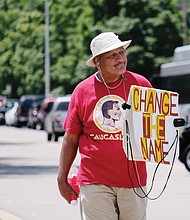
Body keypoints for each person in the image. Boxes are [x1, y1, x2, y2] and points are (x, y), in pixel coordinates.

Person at [57, 32, 152, 220]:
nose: (120, 59)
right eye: (112, 55)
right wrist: (62, 177)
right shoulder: (82, 91)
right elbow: (70, 138)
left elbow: (154, 128)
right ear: (97, 61)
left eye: (122, 53)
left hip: (133, 180)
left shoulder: (141, 85)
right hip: (94, 180)